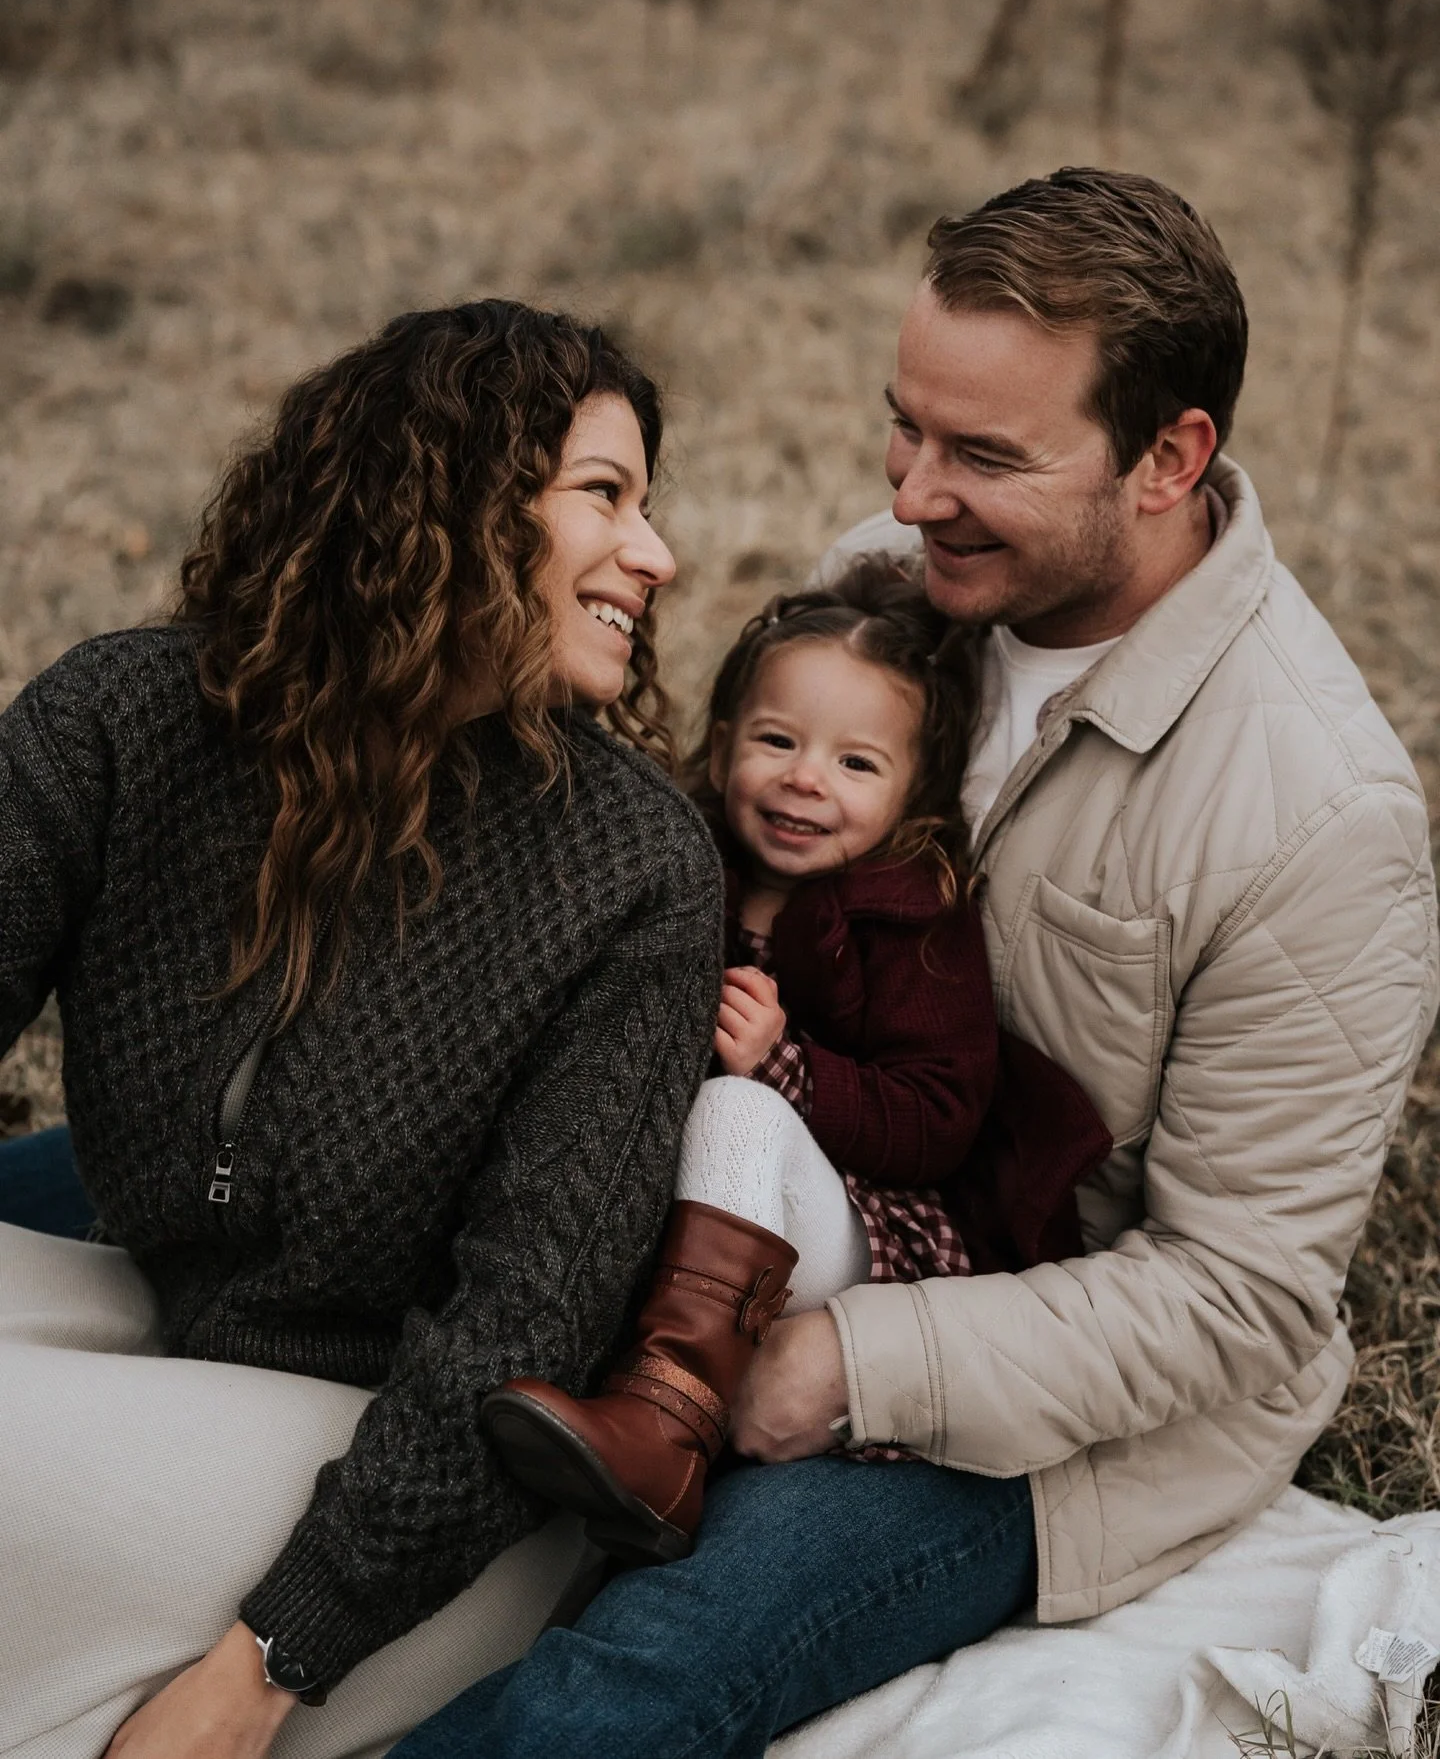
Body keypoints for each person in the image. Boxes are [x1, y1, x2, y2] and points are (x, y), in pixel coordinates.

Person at [387, 167, 1439, 1759]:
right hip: (769, 1175)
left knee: (640, 1668)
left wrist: (850, 1362)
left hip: (1046, 1406)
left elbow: (1235, 1295)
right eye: (907, 426)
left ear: (1172, 458)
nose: (914, 490)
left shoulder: (1317, 813)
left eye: (986, 454)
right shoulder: (907, 578)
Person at [0, 300, 724, 1759]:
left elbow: (522, 1333)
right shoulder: (128, 723)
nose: (658, 553)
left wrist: (267, 1661)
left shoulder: (635, 873)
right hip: (173, 1330)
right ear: (446, 495)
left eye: (650, 506)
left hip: (409, 1484)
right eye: (606, 494)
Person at [479, 559, 1111, 1563]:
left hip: (863, 1237)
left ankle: (667, 1429)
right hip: (709, 1224)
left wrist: (791, 1071)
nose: (806, 778)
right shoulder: (682, 864)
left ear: (913, 792)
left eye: (858, 764)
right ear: (725, 743)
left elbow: (941, 1114)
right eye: (777, 741)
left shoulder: (915, 917)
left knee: (741, 1112)